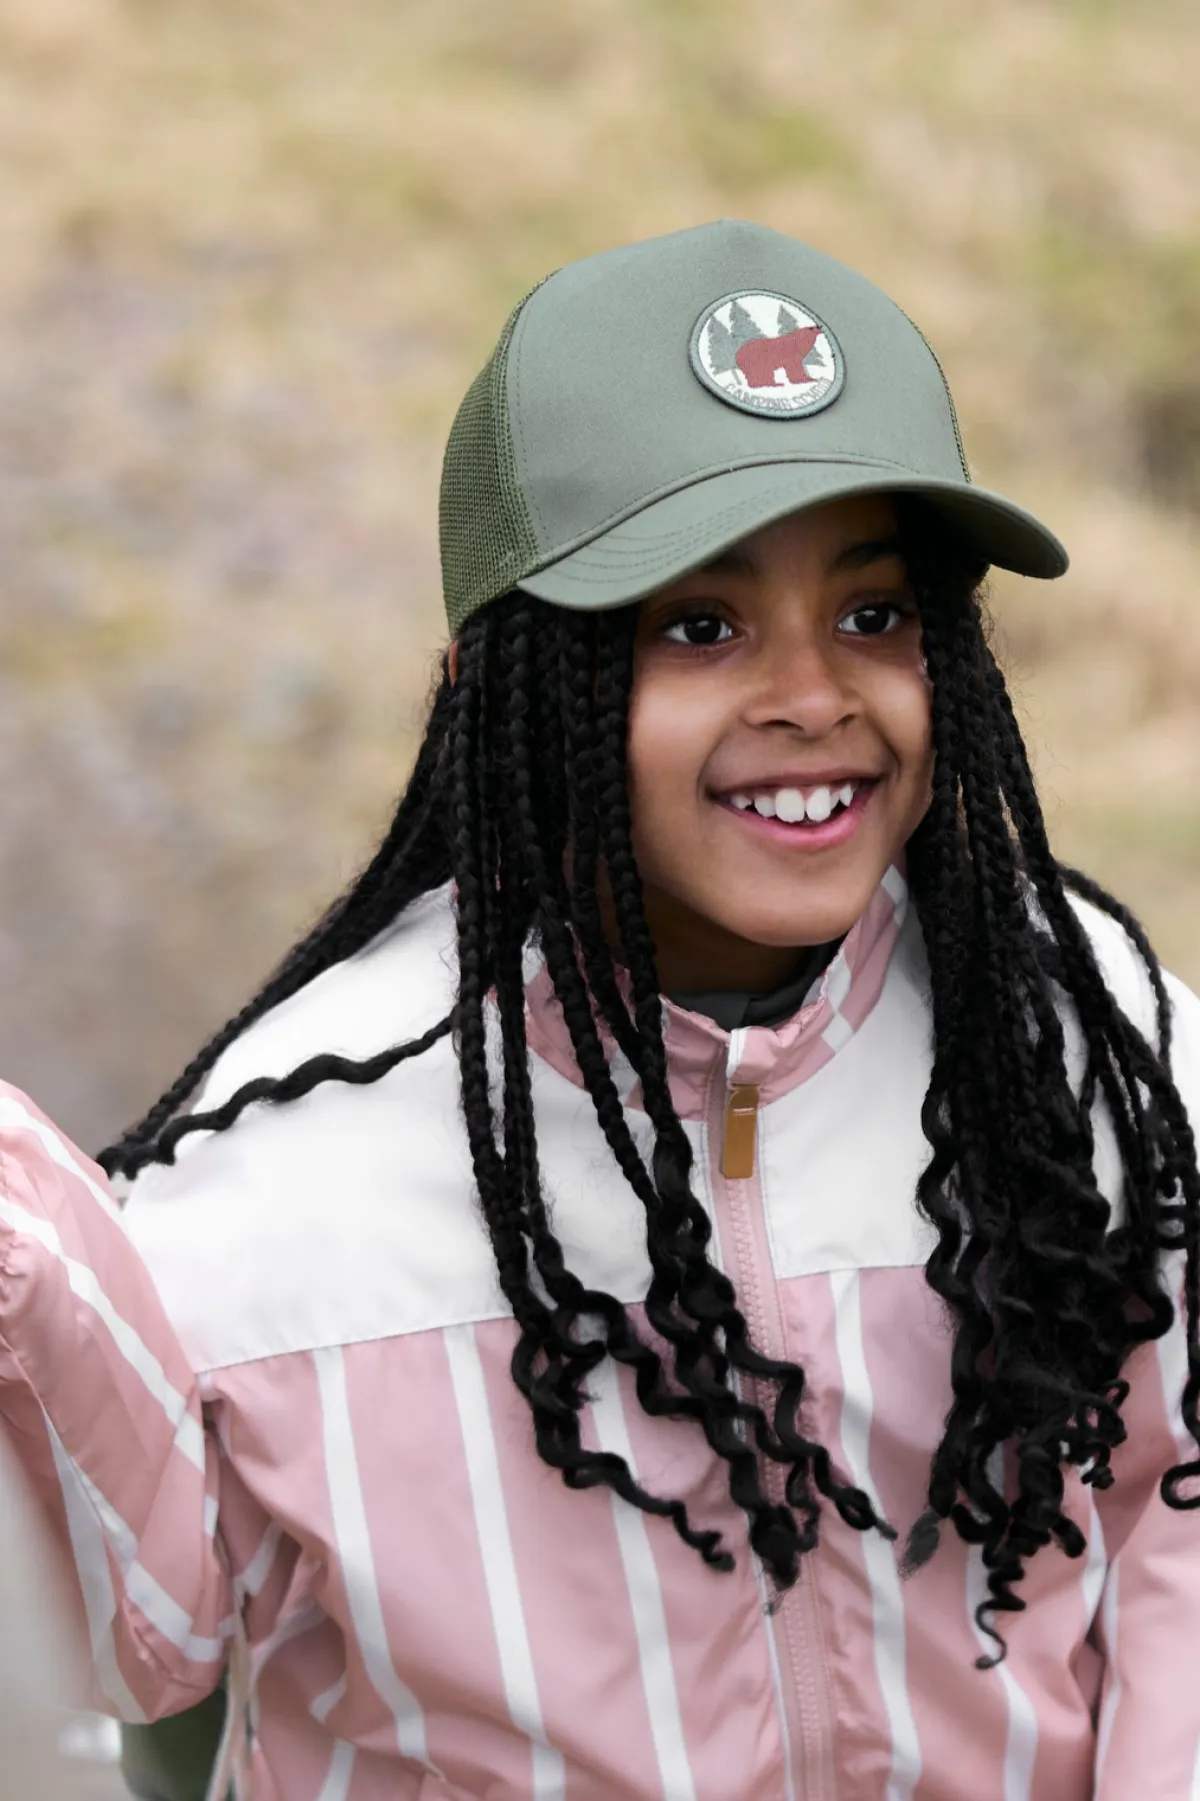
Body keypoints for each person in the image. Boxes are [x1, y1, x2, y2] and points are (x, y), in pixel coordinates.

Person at [2, 218, 1199, 1801]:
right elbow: (130, 1647)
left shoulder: (1095, 1056)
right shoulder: (299, 1170)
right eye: (699, 626)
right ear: (501, 687)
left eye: (875, 614)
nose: (813, 697)